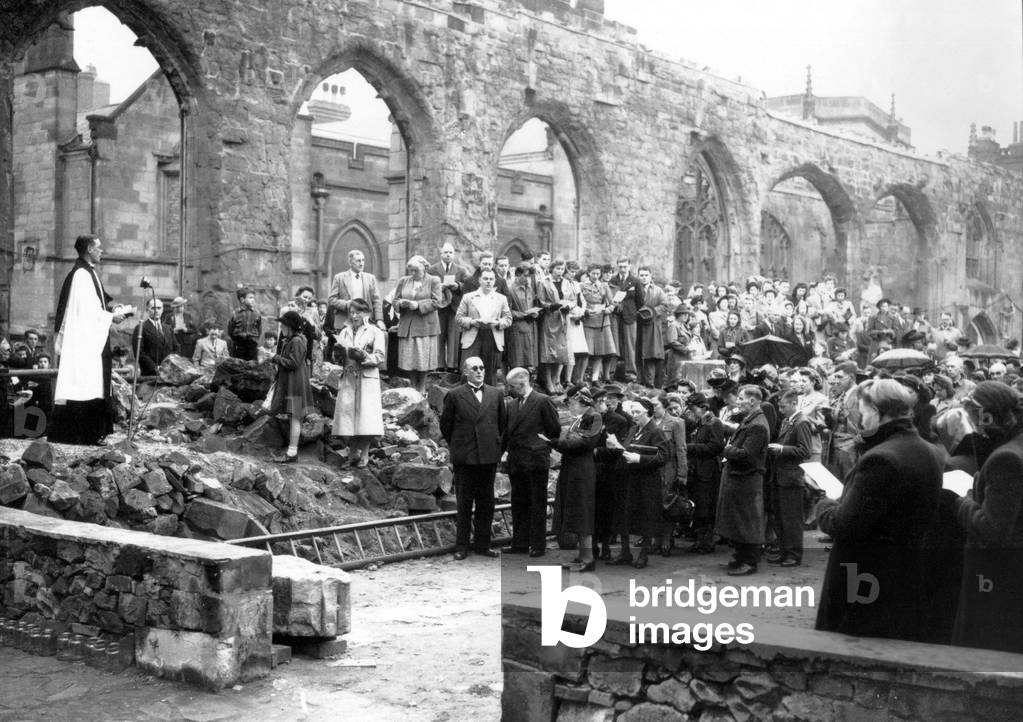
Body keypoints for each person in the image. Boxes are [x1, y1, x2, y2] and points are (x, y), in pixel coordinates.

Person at [814, 379, 942, 642]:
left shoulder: (881, 459)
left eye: (864, 414)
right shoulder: (929, 450)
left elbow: (845, 526)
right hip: (905, 574)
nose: (862, 421)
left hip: (866, 579)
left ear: (878, 411)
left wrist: (825, 502)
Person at [953, 381, 1023, 653]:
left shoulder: (1006, 457)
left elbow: (993, 529)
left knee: (984, 650)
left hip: (997, 574)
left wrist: (962, 502)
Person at [48, 235, 126, 445]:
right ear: (90, 249)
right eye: (99, 247)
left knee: (93, 385)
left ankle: (92, 434)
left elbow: (98, 304)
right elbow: (86, 312)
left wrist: (113, 309)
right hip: (85, 345)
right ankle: (84, 435)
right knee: (86, 385)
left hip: (91, 341)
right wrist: (111, 317)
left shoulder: (88, 272)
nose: (102, 251)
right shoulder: (82, 275)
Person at [440, 356, 507, 560]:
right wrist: (460, 445)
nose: (479, 371)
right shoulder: (454, 395)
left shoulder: (496, 394)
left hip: (487, 457)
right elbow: (446, 426)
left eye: (482, 367)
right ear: (466, 372)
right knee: (464, 503)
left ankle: (483, 544)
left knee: (486, 503)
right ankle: (462, 546)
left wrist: (495, 448)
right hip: (465, 457)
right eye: (474, 368)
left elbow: (502, 424)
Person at [598, 397, 667, 569]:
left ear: (648, 413)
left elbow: (663, 456)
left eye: (638, 412)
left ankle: (644, 553)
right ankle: (625, 552)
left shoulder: (655, 431)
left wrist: (640, 458)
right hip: (628, 479)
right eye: (633, 412)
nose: (634, 415)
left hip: (646, 481)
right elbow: (627, 449)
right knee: (624, 514)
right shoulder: (634, 429)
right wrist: (616, 446)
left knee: (645, 515)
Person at [502, 366, 561, 557]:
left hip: (536, 460)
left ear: (522, 383)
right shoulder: (512, 405)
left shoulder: (543, 401)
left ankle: (537, 544)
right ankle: (519, 542)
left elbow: (554, 430)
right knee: (518, 503)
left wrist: (540, 446)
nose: (510, 390)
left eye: (512, 386)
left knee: (537, 503)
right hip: (517, 460)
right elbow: (506, 433)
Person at [547, 384, 603, 572]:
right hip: (572, 468)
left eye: (571, 402)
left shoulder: (594, 417)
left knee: (583, 514)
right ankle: (582, 555)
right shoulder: (578, 419)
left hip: (582, 470)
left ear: (583, 401)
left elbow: (585, 443)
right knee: (575, 512)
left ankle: (588, 559)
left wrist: (556, 444)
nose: (569, 406)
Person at [716, 384, 771, 575]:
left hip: (747, 479)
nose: (737, 402)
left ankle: (749, 562)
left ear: (753, 400)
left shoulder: (757, 425)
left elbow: (747, 455)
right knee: (739, 521)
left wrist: (727, 449)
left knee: (747, 521)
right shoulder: (751, 420)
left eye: (741, 398)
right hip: (740, 478)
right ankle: (740, 558)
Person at [332, 298, 386, 468]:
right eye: (352, 312)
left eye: (358, 312)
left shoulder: (375, 331)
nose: (354, 316)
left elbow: (380, 356)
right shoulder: (345, 331)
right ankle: (352, 453)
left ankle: (364, 453)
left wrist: (364, 356)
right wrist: (338, 353)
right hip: (349, 376)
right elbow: (337, 357)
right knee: (349, 417)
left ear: (366, 314)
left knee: (366, 417)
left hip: (367, 377)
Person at [767, 390, 813, 567]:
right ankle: (784, 551)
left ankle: (794, 554)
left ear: (794, 404)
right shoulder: (788, 421)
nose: (780, 409)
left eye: (783, 406)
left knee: (792, 519)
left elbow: (805, 451)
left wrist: (781, 449)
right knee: (780, 516)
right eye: (779, 406)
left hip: (792, 477)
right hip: (781, 476)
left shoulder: (801, 422)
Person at [266, 310, 314, 463]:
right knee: (295, 417)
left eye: (283, 325)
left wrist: (273, 357)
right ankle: (292, 450)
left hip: (296, 385)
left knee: (295, 417)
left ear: (290, 326)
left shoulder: (297, 341)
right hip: (294, 382)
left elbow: (293, 363)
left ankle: (292, 452)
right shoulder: (294, 340)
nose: (281, 328)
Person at [393, 255, 442, 393]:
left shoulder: (433, 280)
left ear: (424, 268)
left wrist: (418, 305)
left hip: (425, 327)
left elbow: (437, 301)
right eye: (411, 271)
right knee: (409, 360)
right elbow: (394, 300)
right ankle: (413, 387)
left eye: (416, 270)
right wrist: (400, 304)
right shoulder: (403, 281)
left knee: (423, 361)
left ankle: (422, 388)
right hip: (407, 326)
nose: (413, 274)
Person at [455, 268, 512, 385]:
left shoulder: (501, 298)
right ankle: (467, 399)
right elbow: (458, 318)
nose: (488, 281)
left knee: (490, 372)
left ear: (495, 281)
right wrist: (472, 322)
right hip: (473, 335)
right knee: (469, 369)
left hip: (493, 336)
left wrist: (498, 323)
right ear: (479, 280)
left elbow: (508, 319)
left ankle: (489, 400)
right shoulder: (468, 297)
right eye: (485, 279)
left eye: (491, 279)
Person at [684, 392, 725, 553]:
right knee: (700, 507)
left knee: (707, 507)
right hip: (700, 471)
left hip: (708, 472)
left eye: (693, 408)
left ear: (703, 407)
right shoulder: (702, 423)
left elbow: (716, 446)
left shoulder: (713, 423)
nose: (691, 412)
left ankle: (707, 542)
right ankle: (700, 540)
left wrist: (690, 447)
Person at [593, 384, 631, 560]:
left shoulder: (618, 420)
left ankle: (607, 546)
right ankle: (593, 546)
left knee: (608, 510)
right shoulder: (589, 419)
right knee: (593, 510)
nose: (605, 403)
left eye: (604, 401)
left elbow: (618, 449)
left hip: (610, 471)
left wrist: (595, 452)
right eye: (601, 400)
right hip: (593, 470)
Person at [327, 250, 385, 361]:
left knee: (363, 353)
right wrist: (347, 304)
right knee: (345, 355)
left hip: (365, 321)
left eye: (363, 260)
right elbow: (331, 300)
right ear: (350, 262)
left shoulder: (370, 278)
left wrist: (379, 319)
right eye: (358, 261)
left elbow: (376, 300)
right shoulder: (339, 278)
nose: (362, 263)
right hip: (345, 322)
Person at [651, 393, 687, 555]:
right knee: (653, 504)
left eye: (656, 405)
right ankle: (655, 539)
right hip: (652, 467)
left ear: (664, 406)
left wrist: (682, 473)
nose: (653, 409)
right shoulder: (648, 422)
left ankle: (666, 538)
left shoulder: (676, 423)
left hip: (669, 468)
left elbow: (681, 448)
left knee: (668, 503)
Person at [428, 243, 471, 371]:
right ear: (441, 254)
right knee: (439, 336)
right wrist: (438, 287)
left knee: (453, 337)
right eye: (445, 252)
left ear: (454, 255)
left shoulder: (461, 270)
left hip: (454, 307)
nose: (448, 255)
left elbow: (468, 286)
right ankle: (439, 365)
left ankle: (452, 365)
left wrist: (457, 286)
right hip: (439, 308)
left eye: (450, 252)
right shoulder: (432, 269)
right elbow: (428, 285)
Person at [536, 259, 573, 393]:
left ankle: (556, 379)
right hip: (550, 319)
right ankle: (548, 382)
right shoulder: (543, 282)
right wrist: (551, 306)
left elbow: (572, 299)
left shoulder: (567, 282)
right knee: (549, 351)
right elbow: (540, 301)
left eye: (562, 269)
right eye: (557, 269)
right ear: (551, 269)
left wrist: (569, 306)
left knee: (561, 351)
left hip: (563, 319)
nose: (560, 272)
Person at [607, 257, 644, 382]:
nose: (622, 269)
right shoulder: (612, 280)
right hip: (615, 317)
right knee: (613, 345)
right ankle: (610, 373)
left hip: (630, 317)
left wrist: (632, 311)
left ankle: (631, 374)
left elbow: (640, 301)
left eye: (625, 266)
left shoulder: (635, 281)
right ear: (617, 266)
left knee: (630, 346)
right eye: (620, 267)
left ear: (629, 266)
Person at [580, 263, 616, 383]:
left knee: (600, 352)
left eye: (598, 274)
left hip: (602, 322)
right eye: (593, 273)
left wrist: (608, 309)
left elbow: (612, 303)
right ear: (588, 273)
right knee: (586, 352)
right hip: (588, 322)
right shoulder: (582, 286)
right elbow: (578, 303)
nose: (596, 276)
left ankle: (595, 378)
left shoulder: (604, 286)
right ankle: (581, 378)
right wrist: (585, 311)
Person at [637, 267, 668, 387]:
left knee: (652, 354)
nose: (644, 277)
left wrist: (652, 311)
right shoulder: (634, 289)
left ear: (650, 276)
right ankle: (639, 381)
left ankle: (652, 383)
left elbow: (665, 305)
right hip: (638, 325)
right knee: (638, 354)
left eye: (646, 275)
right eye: (641, 275)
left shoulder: (658, 291)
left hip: (653, 326)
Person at [506, 266, 540, 374]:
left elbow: (534, 304)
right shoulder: (510, 289)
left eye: (530, 276)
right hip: (517, 327)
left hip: (531, 327)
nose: (528, 279)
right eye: (525, 276)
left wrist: (535, 312)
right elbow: (506, 310)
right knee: (517, 359)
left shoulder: (530, 289)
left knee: (530, 360)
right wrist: (523, 315)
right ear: (517, 275)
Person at [132, 298, 178, 375]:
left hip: (169, 372)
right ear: (147, 310)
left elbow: (176, 348)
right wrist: (155, 368)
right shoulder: (140, 328)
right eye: (153, 308)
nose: (156, 311)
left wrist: (171, 365)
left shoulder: (168, 328)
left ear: (162, 310)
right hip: (151, 374)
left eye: (159, 308)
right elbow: (139, 353)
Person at [228, 287, 262, 361]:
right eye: (250, 297)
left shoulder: (256, 313)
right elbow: (230, 330)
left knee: (252, 365)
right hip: (239, 344)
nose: (253, 300)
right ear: (242, 300)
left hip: (252, 344)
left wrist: (254, 340)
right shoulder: (235, 313)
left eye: (253, 298)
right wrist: (237, 340)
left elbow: (259, 329)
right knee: (238, 364)